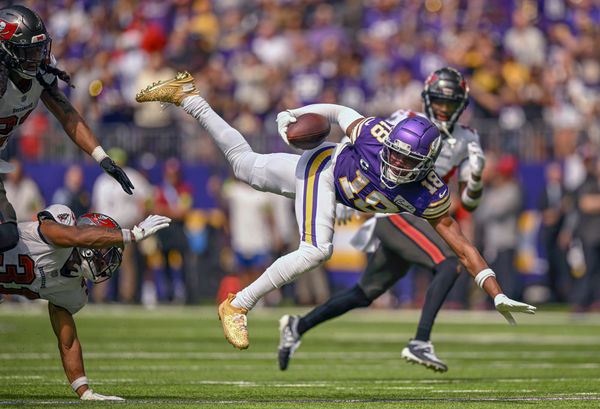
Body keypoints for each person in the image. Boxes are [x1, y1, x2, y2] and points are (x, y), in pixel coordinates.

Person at [135, 71, 536, 352]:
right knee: (316, 249)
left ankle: (188, 96)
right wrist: (296, 113)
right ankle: (238, 304)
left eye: (406, 162)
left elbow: (461, 246)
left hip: (334, 184)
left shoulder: (428, 193)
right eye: (394, 155)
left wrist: (496, 292)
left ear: (426, 166)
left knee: (244, 166)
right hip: (325, 169)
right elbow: (340, 112)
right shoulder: (376, 136)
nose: (395, 165)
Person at [277, 67, 486, 372]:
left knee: (365, 293)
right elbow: (369, 150)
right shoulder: (405, 119)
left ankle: (298, 326)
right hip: (398, 211)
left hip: (422, 213)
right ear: (428, 100)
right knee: (450, 262)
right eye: (439, 101)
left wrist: (476, 181)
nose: (443, 109)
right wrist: (349, 191)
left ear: (461, 106)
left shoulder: (468, 138)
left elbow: (470, 202)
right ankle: (420, 342)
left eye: (450, 103)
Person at [0, 203, 170, 400]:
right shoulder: (61, 228)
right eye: (105, 252)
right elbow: (76, 236)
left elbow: (68, 342)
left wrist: (84, 391)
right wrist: (131, 235)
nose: (106, 262)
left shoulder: (73, 289)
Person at [0, 5, 134, 253]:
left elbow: (67, 114)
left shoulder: (40, 70)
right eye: (28, 50)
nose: (36, 56)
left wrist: (101, 157)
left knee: (7, 236)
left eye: (38, 48)